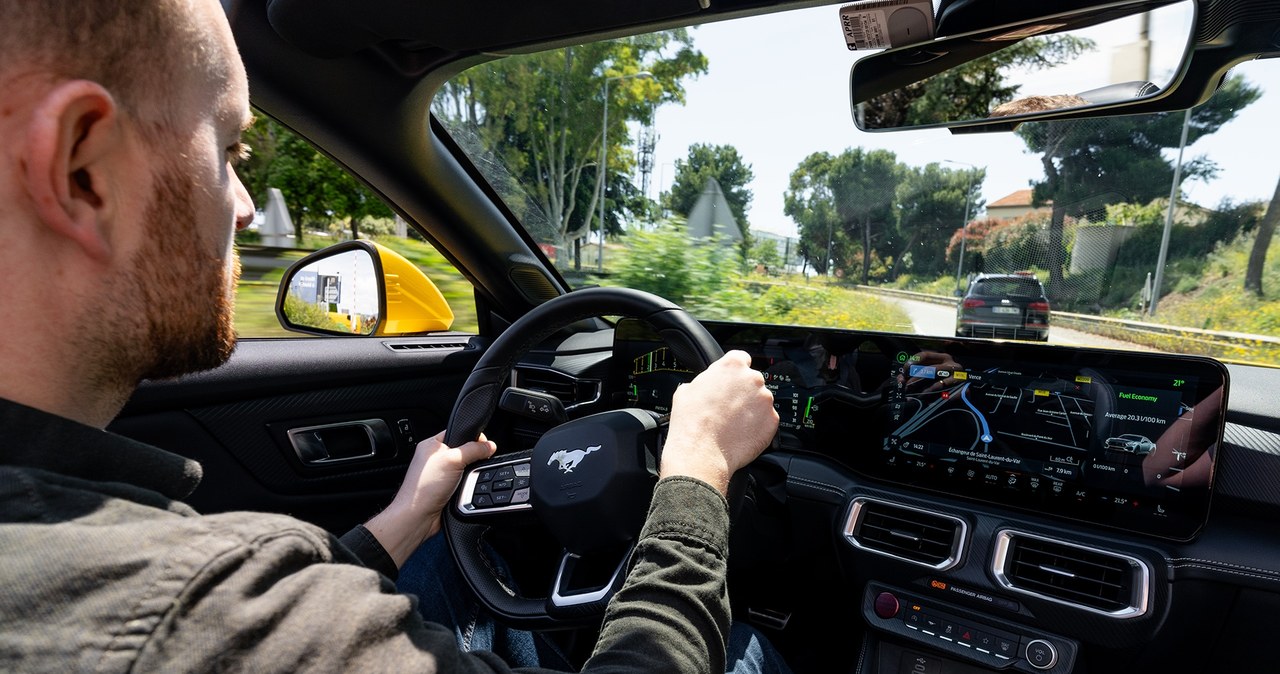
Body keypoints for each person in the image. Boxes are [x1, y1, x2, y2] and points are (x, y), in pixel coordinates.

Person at [0, 1, 787, 672]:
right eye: (230, 148)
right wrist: (696, 470)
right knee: (748, 648)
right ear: (82, 171)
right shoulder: (194, 614)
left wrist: (404, 518)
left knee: (444, 557)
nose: (243, 203)